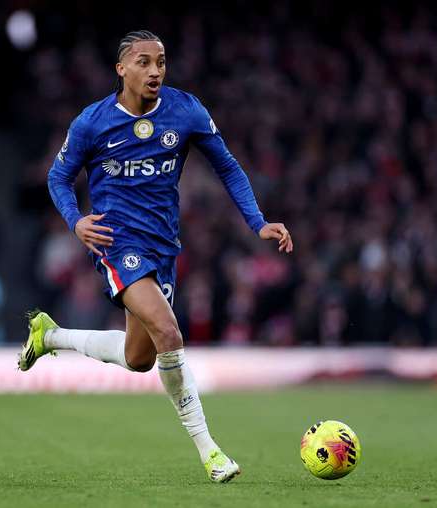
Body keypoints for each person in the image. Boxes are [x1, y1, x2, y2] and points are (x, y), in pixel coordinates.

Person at [18, 30, 293, 483]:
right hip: (117, 242)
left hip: (163, 246)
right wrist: (75, 221)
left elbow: (227, 166)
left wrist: (258, 221)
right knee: (169, 332)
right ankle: (210, 453)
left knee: (140, 358)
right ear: (121, 69)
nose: (155, 71)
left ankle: (51, 337)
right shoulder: (92, 122)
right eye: (143, 62)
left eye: (161, 62)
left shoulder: (185, 111)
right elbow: (58, 177)